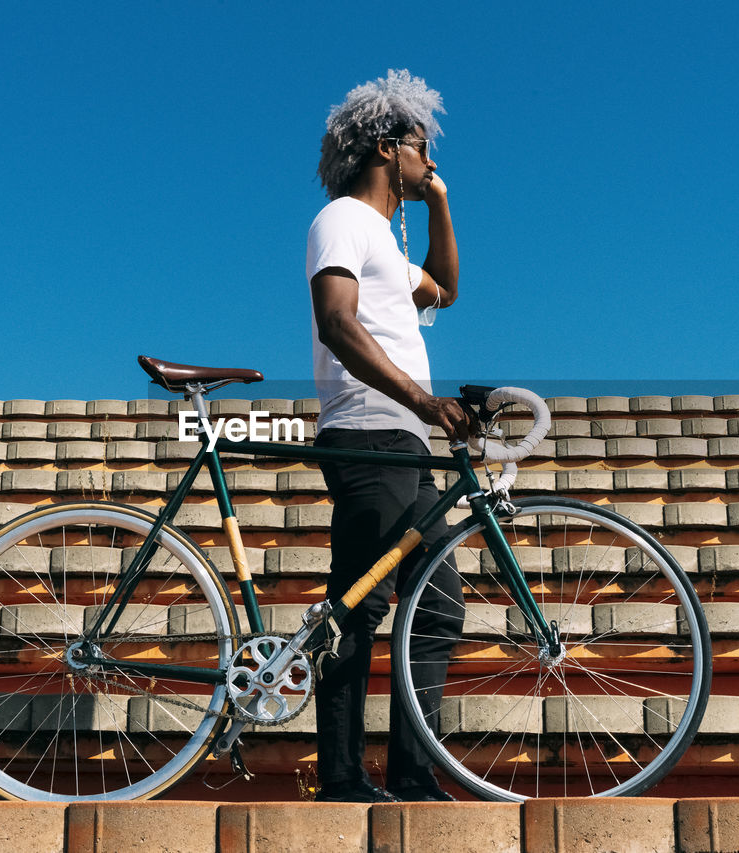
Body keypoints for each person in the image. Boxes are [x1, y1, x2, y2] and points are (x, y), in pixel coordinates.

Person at [306, 69, 472, 803]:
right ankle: (342, 777)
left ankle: (413, 771)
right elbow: (339, 322)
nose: (430, 158)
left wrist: (437, 199)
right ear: (385, 145)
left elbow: (444, 286)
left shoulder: (382, 238)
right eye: (421, 146)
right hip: (369, 433)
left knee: (434, 604)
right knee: (359, 603)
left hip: (406, 440)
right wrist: (422, 399)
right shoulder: (341, 218)